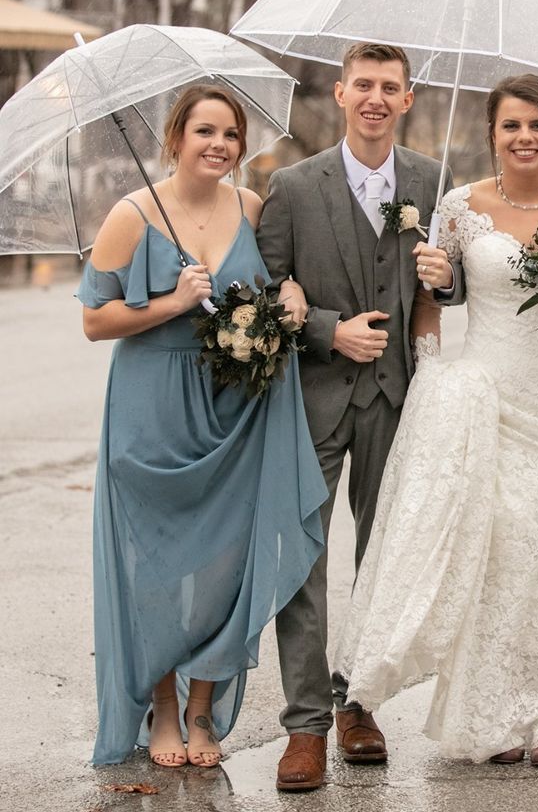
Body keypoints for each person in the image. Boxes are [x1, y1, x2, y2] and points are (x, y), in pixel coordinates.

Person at [334, 73, 538, 767]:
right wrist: (433, 368)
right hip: (487, 398)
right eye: (511, 126)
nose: (525, 137)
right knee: (496, 557)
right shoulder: (459, 206)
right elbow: (434, 299)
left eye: (537, 125)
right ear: (492, 136)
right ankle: (492, 710)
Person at [78, 84, 328, 767]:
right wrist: (168, 303)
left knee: (225, 561)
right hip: (151, 403)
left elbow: (278, 281)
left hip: (236, 405)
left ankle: (202, 710)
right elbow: (95, 320)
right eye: (205, 132)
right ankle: (162, 705)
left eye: (230, 136)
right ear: (176, 139)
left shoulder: (251, 207)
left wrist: (293, 292)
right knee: (154, 564)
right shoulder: (130, 216)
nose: (219, 145)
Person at [256, 42, 455, 791]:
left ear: (408, 99)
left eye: (390, 88)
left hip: (397, 399)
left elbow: (453, 286)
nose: (375, 98)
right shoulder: (292, 186)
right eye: (362, 85)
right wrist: (324, 328)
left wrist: (449, 274)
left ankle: (357, 704)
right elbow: (268, 286)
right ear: (340, 94)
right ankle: (304, 728)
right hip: (313, 398)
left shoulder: (433, 183)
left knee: (382, 563)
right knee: (304, 563)